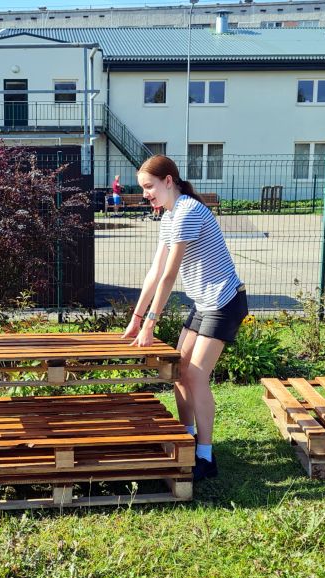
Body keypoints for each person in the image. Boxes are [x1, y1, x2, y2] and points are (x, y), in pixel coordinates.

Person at [121, 155, 246, 482]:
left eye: (149, 186)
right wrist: (136, 318)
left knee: (195, 375)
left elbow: (169, 275)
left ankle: (205, 456)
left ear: (168, 180)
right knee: (179, 371)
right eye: (142, 188)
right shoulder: (169, 216)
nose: (145, 193)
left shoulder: (188, 212)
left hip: (224, 301)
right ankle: (187, 437)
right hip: (203, 302)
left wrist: (151, 322)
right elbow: (154, 272)